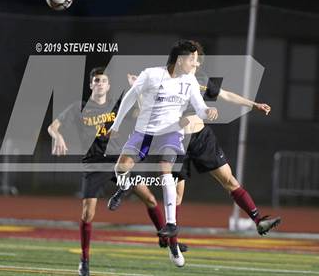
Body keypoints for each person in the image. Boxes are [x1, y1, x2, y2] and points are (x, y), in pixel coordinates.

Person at [110, 40, 281, 242]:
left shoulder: (197, 78)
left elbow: (224, 94)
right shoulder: (161, 77)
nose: (197, 64)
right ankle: (171, 239)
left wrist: (253, 105)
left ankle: (258, 220)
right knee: (176, 194)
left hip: (201, 138)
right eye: (193, 59)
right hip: (177, 139)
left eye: (198, 60)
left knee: (229, 181)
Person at [47, 67, 186, 276]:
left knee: (149, 198)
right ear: (91, 85)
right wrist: (57, 136)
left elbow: (143, 110)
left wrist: (136, 88)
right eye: (96, 80)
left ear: (108, 85)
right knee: (87, 214)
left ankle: (163, 236)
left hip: (118, 162)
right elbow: (52, 127)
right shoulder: (79, 107)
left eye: (103, 80)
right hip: (94, 164)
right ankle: (84, 260)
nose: (100, 83)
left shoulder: (118, 105)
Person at [107, 40, 218, 267]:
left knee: (165, 171)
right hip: (144, 132)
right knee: (121, 167)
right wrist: (116, 125)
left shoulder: (189, 80)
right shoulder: (151, 75)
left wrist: (208, 110)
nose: (195, 63)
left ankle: (171, 226)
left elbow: (199, 107)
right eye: (192, 59)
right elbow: (129, 98)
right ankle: (125, 185)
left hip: (170, 133)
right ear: (180, 60)